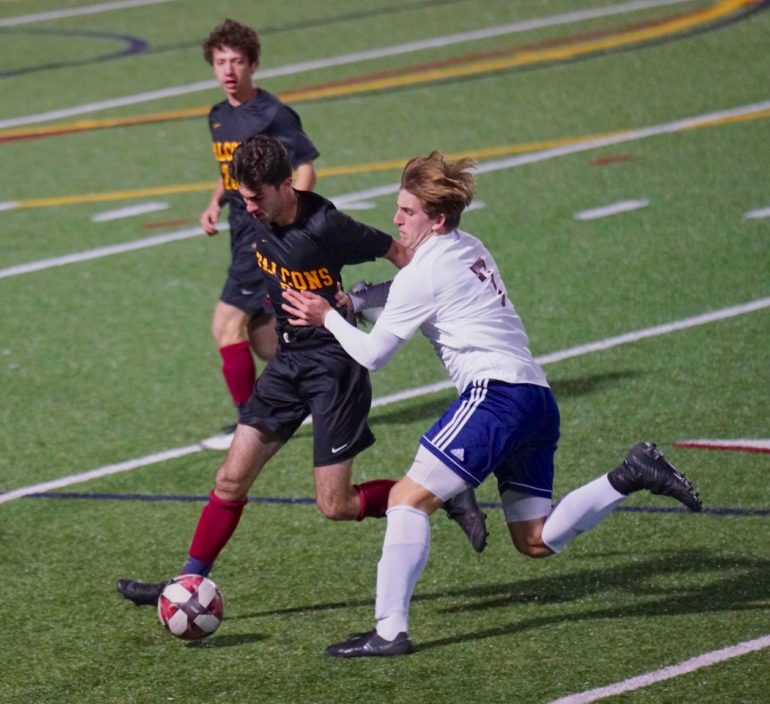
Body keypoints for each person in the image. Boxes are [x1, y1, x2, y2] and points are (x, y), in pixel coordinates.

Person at [282, 151, 703, 657]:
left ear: (435, 218)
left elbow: (373, 355)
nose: (395, 219)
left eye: (407, 211)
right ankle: (629, 474)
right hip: (537, 401)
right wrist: (361, 301)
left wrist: (327, 315)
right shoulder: (467, 245)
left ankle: (389, 630)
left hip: (494, 397)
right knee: (536, 540)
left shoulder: (425, 270)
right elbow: (414, 291)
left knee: (405, 501)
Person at [116, 138, 488, 608]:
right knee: (230, 479)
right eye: (242, 197)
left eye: (256, 198)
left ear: (286, 185)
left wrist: (431, 305)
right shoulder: (257, 216)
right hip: (287, 363)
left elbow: (402, 255)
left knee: (336, 506)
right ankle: (186, 583)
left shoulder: (328, 225)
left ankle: (442, 493)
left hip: (335, 368)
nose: (247, 208)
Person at [199, 18, 320, 450]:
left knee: (225, 324)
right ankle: (329, 374)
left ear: (252, 64)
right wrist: (215, 201)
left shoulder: (272, 113)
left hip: (261, 235)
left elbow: (304, 165)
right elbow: (230, 171)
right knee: (268, 341)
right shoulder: (217, 117)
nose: (228, 69)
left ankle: (251, 423)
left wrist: (291, 216)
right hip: (237, 234)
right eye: (220, 62)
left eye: (236, 61)